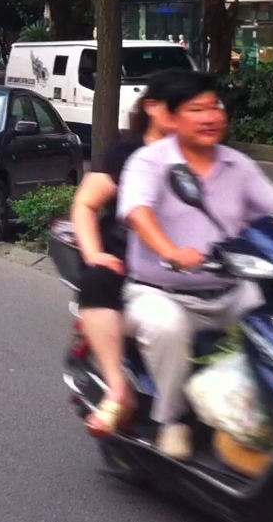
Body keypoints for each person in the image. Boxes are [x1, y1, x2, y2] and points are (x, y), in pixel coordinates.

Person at [117, 72, 273, 459]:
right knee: (167, 326)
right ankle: (172, 420)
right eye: (196, 109)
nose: (210, 116)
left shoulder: (237, 165)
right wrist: (170, 250)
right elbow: (137, 211)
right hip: (159, 292)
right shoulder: (149, 162)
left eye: (215, 106)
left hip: (230, 289)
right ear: (173, 118)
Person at [71, 70, 185, 436]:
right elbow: (86, 205)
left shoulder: (208, 157)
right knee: (101, 280)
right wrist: (95, 254)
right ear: (153, 107)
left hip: (194, 266)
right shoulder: (127, 154)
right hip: (132, 264)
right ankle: (119, 390)